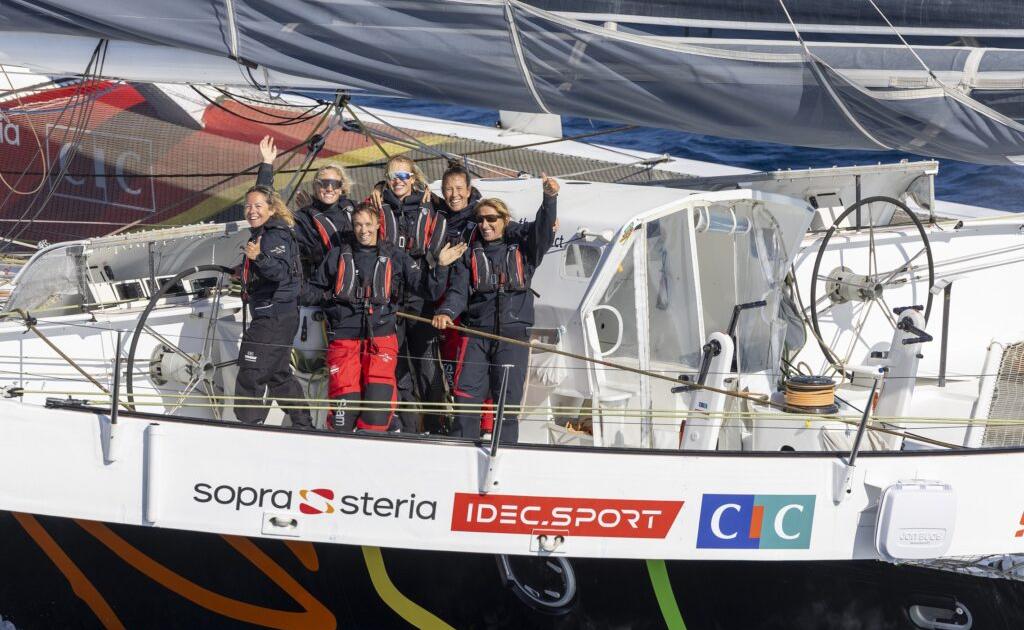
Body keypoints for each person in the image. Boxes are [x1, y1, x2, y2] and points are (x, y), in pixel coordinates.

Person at [305, 202, 463, 432]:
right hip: (345, 339)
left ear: (379, 225)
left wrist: (440, 266)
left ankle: (389, 428)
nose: (363, 230)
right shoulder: (338, 254)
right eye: (358, 225)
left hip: (381, 338)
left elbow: (428, 289)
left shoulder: (395, 256)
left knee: (376, 416)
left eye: (368, 224)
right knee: (343, 417)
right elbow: (312, 289)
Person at [432, 174, 559, 443]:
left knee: (506, 404)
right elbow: (457, 290)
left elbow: (544, 231)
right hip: (476, 333)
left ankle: (506, 453)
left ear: (504, 220)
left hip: (511, 336)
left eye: (492, 219)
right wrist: (446, 312)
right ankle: (460, 448)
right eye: (480, 220)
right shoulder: (469, 252)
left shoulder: (525, 250)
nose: (486, 225)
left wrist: (549, 199)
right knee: (466, 399)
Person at [369, 156, 450, 432]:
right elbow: (358, 224)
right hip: (390, 295)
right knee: (397, 363)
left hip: (420, 295)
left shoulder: (432, 206)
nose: (397, 181)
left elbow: (460, 205)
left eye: (403, 176)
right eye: (392, 176)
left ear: (413, 178)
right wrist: (378, 189)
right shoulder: (376, 205)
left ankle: (436, 424)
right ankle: (407, 423)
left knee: (427, 364)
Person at [235, 185, 313, 429]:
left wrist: (259, 258)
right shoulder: (264, 232)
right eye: (248, 206)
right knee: (278, 374)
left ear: (271, 209)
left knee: (251, 369)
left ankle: (249, 427)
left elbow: (280, 271)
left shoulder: (273, 235)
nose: (252, 211)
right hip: (279, 313)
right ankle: (304, 426)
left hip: (274, 315)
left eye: (258, 206)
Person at [256, 135, 354, 278]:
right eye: (324, 184)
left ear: (342, 188)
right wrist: (267, 164)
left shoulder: (352, 210)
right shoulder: (304, 219)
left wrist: (379, 187)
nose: (330, 189)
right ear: (316, 186)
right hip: (320, 286)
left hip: (349, 282)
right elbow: (267, 208)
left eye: (335, 184)